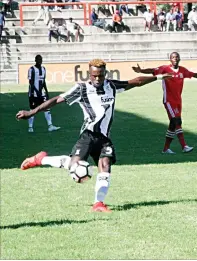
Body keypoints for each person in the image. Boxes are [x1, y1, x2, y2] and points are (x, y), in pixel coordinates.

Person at [16, 59, 172, 212]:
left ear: (105, 74)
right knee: (73, 166)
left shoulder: (111, 86)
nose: (97, 79)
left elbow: (136, 81)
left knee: (105, 166)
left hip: (105, 138)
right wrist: (31, 112)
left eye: (101, 76)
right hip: (88, 136)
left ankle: (98, 204)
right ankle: (40, 159)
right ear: (89, 74)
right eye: (94, 76)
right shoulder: (81, 89)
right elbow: (57, 100)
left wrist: (158, 77)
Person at [132, 52, 197, 154]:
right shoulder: (165, 69)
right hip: (168, 100)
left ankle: (166, 149)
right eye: (173, 57)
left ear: (179, 59)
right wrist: (141, 70)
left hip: (178, 100)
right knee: (177, 121)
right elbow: (153, 70)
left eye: (177, 57)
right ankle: (184, 146)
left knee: (173, 124)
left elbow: (194, 74)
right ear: (170, 59)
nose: (175, 59)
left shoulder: (182, 70)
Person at [27, 55, 60, 132]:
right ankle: (30, 127)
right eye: (38, 59)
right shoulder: (31, 69)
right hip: (33, 93)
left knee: (47, 108)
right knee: (32, 110)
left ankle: (50, 126)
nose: (40, 61)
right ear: (35, 60)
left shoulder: (43, 69)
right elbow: (31, 82)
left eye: (41, 59)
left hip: (42, 93)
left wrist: (46, 91)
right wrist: (35, 92)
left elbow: (43, 81)